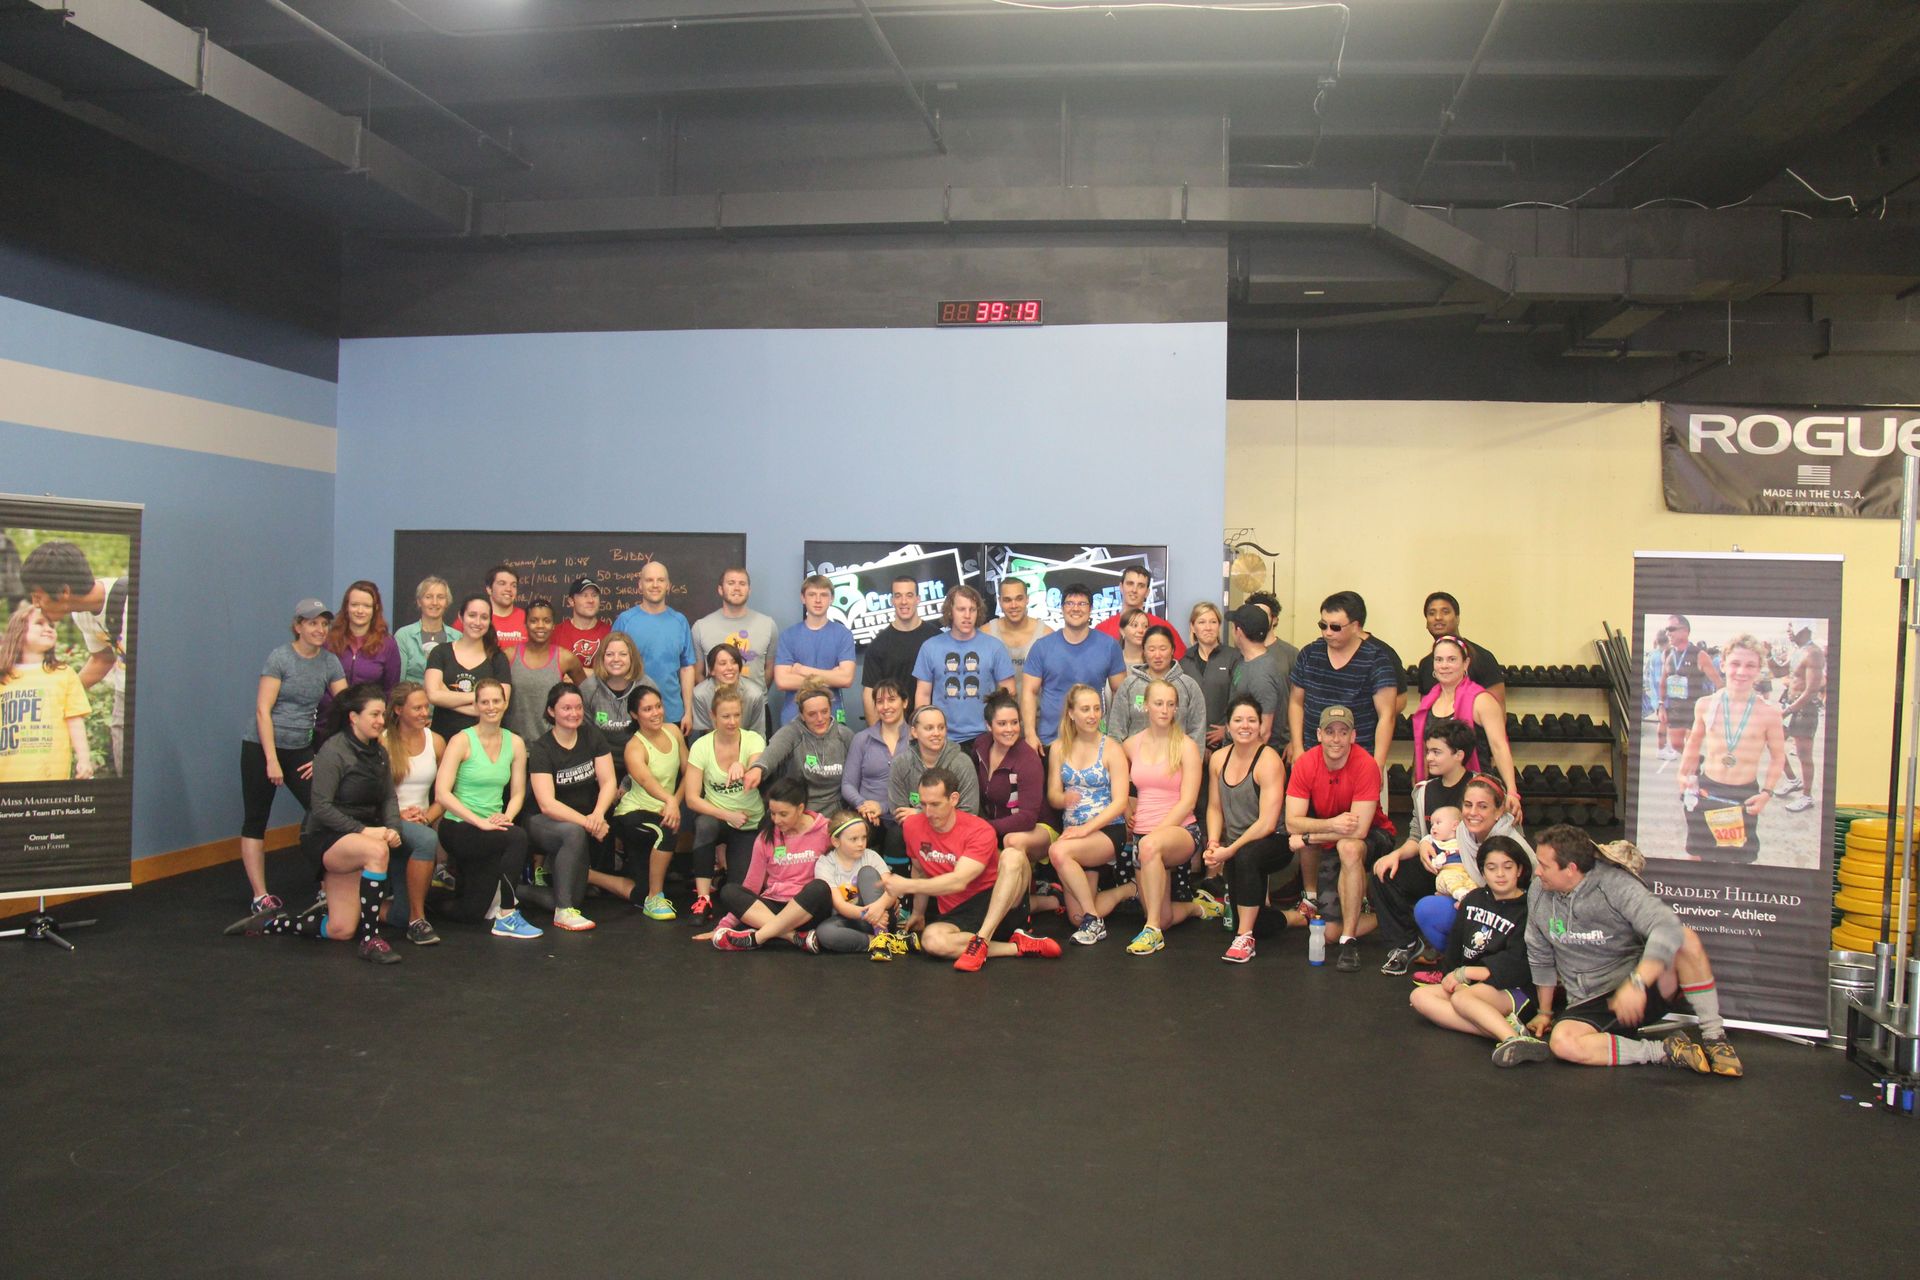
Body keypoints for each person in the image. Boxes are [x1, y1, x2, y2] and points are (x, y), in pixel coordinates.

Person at [1516, 824, 1742, 1076]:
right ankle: (1664, 1051)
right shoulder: (1539, 890)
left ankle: (1715, 1038)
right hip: (1592, 999)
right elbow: (1539, 952)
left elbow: (1667, 926)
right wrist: (1544, 1012)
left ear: (1570, 869)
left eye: (1544, 865)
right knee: (1563, 1044)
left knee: (1684, 937)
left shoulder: (1614, 884)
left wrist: (1636, 983)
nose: (1537, 872)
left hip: (1642, 986)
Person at [225, 683, 403, 964]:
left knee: (340, 929)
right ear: (354, 717)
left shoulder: (379, 753)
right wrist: (366, 831)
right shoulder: (333, 751)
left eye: (383, 715)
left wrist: (394, 827)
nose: (381, 721)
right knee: (377, 851)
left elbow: (389, 798)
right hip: (325, 836)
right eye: (375, 714)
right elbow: (320, 808)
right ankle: (371, 939)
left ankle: (273, 924)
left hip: (356, 839)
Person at [883, 767, 1061, 971]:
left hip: (998, 903)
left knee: (1013, 855)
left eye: (935, 804)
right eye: (923, 804)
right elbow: (920, 870)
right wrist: (918, 912)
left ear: (953, 799)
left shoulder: (979, 829)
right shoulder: (912, 826)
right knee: (931, 941)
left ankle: (982, 939)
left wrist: (905, 885)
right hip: (959, 913)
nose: (928, 812)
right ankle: (1016, 947)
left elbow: (960, 880)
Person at [237, 597, 347, 913]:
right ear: (298, 626)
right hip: (261, 746)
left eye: (324, 624)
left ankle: (327, 887)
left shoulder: (329, 662)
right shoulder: (280, 658)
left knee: (323, 811)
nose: (320, 629)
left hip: (301, 747)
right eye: (312, 623)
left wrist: (323, 755)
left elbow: (347, 705)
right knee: (256, 819)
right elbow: (262, 710)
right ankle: (260, 896)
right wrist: (272, 760)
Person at [1285, 704, 1396, 972]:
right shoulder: (1306, 764)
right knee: (1328, 933)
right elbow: (1292, 821)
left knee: (1348, 847)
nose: (1337, 739)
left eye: (1343, 732)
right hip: (1333, 836)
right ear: (1319, 734)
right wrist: (1330, 824)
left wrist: (1310, 836)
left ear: (1353, 736)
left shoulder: (1366, 765)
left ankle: (1350, 940)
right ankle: (1386, 917)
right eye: (1331, 732)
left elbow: (1358, 831)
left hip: (1376, 837)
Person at [1407, 836, 1537, 1059]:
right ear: (1482, 872)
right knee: (1419, 997)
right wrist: (1451, 976)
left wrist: (1464, 974)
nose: (1500, 874)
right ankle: (1504, 1030)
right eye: (1492, 867)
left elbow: (1516, 963)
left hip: (1512, 988)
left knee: (1462, 999)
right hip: (1472, 984)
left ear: (1519, 870)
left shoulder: (1527, 909)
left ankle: (1511, 1039)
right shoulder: (1474, 899)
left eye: (1508, 867)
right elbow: (1456, 946)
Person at [430, 678, 541, 938]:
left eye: (496, 701)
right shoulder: (461, 740)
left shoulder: (514, 742)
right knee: (517, 837)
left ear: (505, 704)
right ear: (476, 705)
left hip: (492, 829)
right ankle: (507, 914)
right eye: (485, 702)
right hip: (458, 826)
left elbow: (517, 793)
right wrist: (479, 822)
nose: (491, 707)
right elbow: (442, 794)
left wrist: (506, 816)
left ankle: (432, 902)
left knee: (471, 914)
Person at [1119, 679, 1222, 956]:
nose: (1164, 710)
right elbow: (1120, 784)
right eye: (1158, 703)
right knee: (1164, 916)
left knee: (1151, 847)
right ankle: (1199, 907)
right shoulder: (1130, 745)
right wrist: (1128, 811)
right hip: (1143, 835)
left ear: (1176, 708)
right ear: (1146, 707)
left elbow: (1188, 800)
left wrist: (1155, 833)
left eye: (1170, 704)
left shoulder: (1187, 746)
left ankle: (1152, 933)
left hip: (1180, 830)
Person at [1368, 719, 1475, 975]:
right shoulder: (1424, 791)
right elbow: (1416, 836)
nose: (1428, 758)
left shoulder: (1479, 788)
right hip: (1434, 868)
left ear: (1459, 755)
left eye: (1436, 752)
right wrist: (1395, 855)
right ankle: (1407, 942)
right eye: (1427, 751)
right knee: (1383, 873)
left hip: (1468, 872)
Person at [1679, 633, 1786, 863]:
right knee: (1696, 855)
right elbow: (1693, 743)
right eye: (1736, 663)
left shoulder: (1769, 712)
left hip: (1743, 796)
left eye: (1750, 665)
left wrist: (1766, 793)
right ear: (1724, 664)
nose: (1741, 671)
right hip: (1707, 790)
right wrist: (1683, 775)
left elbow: (1778, 758)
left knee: (1738, 863)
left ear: (1758, 670)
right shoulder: (1705, 705)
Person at [21, 539, 127, 771]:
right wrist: (61, 696)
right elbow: (102, 658)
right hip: (123, 698)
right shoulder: (81, 614)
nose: (35, 604)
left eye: (38, 596)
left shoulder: (134, 603)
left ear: (65, 591)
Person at [1045, 684, 1135, 945]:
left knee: (1058, 852)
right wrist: (1062, 799)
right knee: (1075, 916)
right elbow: (1052, 795)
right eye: (1085, 709)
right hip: (1075, 834)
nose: (1092, 715)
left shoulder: (1112, 749)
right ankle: (1129, 890)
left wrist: (1086, 829)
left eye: (1097, 708)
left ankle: (1094, 923)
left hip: (1107, 831)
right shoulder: (1059, 748)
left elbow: (1120, 802)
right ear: (1071, 713)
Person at [525, 683, 618, 932]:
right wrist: (588, 823)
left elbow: (608, 781)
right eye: (566, 708)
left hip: (583, 820)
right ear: (552, 711)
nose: (573, 713)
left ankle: (520, 891)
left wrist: (598, 814)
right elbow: (547, 804)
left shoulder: (591, 736)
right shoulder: (542, 748)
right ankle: (563, 913)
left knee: (576, 897)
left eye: (578, 707)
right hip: (542, 822)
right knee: (573, 832)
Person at [1203, 694, 1288, 962]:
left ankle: (1244, 939)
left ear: (1261, 725)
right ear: (1228, 726)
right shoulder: (1218, 759)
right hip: (1238, 845)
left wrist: (1229, 850)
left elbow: (1267, 823)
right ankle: (1293, 918)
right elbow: (1215, 808)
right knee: (1255, 918)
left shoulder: (1269, 760)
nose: (1245, 725)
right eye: (1238, 720)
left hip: (1275, 840)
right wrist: (1214, 843)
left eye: (1252, 720)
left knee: (1246, 856)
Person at [710, 777, 834, 951]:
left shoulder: (826, 831)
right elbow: (752, 885)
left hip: (806, 909)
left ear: (800, 809)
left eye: (783, 814)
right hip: (774, 905)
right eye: (773, 813)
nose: (776, 820)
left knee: (820, 888)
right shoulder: (765, 838)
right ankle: (793, 937)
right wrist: (722, 927)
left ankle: (759, 937)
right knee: (729, 892)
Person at [1287, 591, 1401, 779]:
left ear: (1356, 626)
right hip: (1313, 757)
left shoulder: (1376, 660)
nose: (1327, 632)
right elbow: (1296, 703)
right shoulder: (1309, 654)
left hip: (1359, 761)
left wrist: (1377, 764)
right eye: (1323, 625)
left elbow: (1386, 715)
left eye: (1335, 627)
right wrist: (1298, 747)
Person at [1410, 634, 1520, 816]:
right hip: (1439, 790)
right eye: (1439, 660)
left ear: (1466, 663)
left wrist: (1512, 791)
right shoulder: (1428, 702)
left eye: (1451, 659)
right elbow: (1423, 747)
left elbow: (1500, 747)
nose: (1444, 665)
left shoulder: (1482, 700)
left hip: (1476, 791)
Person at [683, 684, 766, 919]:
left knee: (737, 892)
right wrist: (728, 815)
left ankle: (723, 879)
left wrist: (745, 766)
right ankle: (703, 899)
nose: (732, 721)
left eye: (737, 715)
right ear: (713, 716)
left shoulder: (752, 739)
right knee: (704, 825)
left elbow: (758, 765)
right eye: (725, 716)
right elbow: (691, 799)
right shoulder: (701, 746)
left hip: (748, 823)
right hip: (720, 819)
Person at [610, 684, 687, 920]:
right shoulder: (634, 747)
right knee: (668, 830)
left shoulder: (673, 731)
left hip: (663, 809)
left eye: (658, 706)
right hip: (633, 813)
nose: (655, 713)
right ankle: (655, 898)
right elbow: (646, 781)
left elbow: (690, 773)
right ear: (635, 715)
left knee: (639, 891)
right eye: (647, 709)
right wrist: (669, 801)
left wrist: (673, 802)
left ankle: (588, 875)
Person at [1020, 582, 1126, 750]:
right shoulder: (1042, 647)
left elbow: (1120, 693)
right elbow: (1029, 692)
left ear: (1090, 608)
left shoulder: (1109, 646)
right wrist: (1030, 734)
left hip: (1095, 742)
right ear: (1062, 609)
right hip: (1050, 741)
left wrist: (1115, 735)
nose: (1075, 608)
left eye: (1082, 604)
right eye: (1070, 603)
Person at [380, 681, 444, 945]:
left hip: (421, 823)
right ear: (397, 710)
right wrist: (397, 816)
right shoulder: (382, 741)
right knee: (427, 840)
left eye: (426, 707)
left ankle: (363, 906)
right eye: (416, 708)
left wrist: (428, 816)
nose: (424, 713)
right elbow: (373, 796)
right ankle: (418, 921)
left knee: (399, 914)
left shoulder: (436, 741)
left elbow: (445, 794)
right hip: (390, 822)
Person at [912, 584, 1014, 746]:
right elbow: (923, 695)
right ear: (950, 611)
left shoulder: (994, 647)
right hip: (941, 737)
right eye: (961, 609)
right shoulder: (930, 647)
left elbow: (1008, 694)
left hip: (985, 736)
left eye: (972, 609)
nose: (967, 615)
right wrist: (925, 732)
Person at [0, 604, 92, 782]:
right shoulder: (3, 677)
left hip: (50, 776)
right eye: (39, 623)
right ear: (18, 632)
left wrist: (84, 759)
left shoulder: (64, 673)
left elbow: (74, 720)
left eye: (51, 625)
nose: (48, 629)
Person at [611, 561, 698, 736]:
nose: (655, 585)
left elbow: (687, 668)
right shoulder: (625, 621)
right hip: (632, 714)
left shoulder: (679, 621)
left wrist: (688, 711)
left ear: (668, 586)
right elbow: (611, 666)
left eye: (660, 580)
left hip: (672, 713)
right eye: (649, 580)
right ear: (640, 585)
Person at [746, 680, 857, 816]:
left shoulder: (845, 735)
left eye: (824, 712)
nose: (820, 718)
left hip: (836, 809)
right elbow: (772, 753)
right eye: (812, 714)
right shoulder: (792, 732)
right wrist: (758, 768)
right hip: (800, 808)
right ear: (802, 715)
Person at [968, 689, 1050, 868]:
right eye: (1002, 723)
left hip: (1038, 827)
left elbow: (1028, 818)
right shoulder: (981, 746)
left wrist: (987, 827)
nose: (1010, 729)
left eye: (1014, 723)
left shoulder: (1028, 760)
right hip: (995, 826)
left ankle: (1025, 895)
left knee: (1012, 842)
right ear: (989, 726)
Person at [810, 812, 901, 957]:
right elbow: (839, 905)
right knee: (824, 932)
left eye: (864, 838)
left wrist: (878, 908)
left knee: (867, 873)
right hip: (853, 918)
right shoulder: (826, 863)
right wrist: (867, 914)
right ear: (836, 841)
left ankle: (882, 936)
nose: (861, 843)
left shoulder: (871, 856)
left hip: (882, 918)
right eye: (853, 839)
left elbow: (892, 889)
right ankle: (878, 942)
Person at [424, 593, 512, 739]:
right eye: (472, 615)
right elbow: (433, 695)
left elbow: (501, 705)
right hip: (442, 739)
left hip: (484, 743)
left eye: (484, 617)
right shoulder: (440, 652)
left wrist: (447, 698)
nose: (477, 622)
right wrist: (480, 699)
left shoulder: (498, 658)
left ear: (490, 621)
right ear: (461, 617)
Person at [773, 574, 856, 724]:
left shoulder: (843, 635)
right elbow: (782, 681)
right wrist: (831, 676)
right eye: (812, 595)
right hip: (794, 718)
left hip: (831, 716)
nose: (818, 600)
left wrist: (802, 670)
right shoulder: (788, 636)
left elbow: (846, 679)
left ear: (831, 599)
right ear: (803, 598)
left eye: (823, 595)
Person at [318, 580, 400, 731]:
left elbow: (391, 690)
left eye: (366, 606)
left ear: (375, 609)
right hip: (327, 724)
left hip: (368, 727)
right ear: (346, 607)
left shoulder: (388, 644)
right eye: (354, 605)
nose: (360, 611)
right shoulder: (328, 640)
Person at [1107, 624, 1206, 743]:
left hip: (1177, 758)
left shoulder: (1189, 686)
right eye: (1152, 649)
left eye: (1163, 649)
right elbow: (1116, 731)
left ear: (1172, 650)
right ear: (1143, 651)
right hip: (1135, 758)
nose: (1157, 655)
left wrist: (1191, 759)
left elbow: (1197, 731)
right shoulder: (1129, 685)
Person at [504, 598, 583, 745]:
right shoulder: (508, 656)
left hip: (553, 746)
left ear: (553, 625)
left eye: (546, 621)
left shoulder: (566, 658)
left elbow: (588, 694)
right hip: (513, 745)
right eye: (534, 620)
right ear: (525, 624)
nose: (540, 626)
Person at [842, 676, 911, 842]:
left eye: (892, 700)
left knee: (899, 837)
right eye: (880, 701)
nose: (885, 706)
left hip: (904, 817)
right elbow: (847, 784)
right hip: (868, 818)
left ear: (905, 702)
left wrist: (883, 807)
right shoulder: (861, 739)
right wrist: (863, 806)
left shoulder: (916, 740)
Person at [862, 573, 934, 723]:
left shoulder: (936, 639)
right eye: (898, 596)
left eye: (909, 595)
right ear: (892, 600)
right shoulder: (878, 645)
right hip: (893, 730)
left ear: (918, 599)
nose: (903, 601)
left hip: (931, 728)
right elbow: (870, 693)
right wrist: (877, 737)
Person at [577, 631, 655, 771]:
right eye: (609, 654)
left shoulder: (646, 686)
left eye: (623, 654)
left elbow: (653, 733)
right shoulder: (588, 688)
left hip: (641, 762)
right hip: (600, 762)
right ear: (602, 658)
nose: (616, 659)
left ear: (632, 658)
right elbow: (583, 735)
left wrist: (630, 780)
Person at [1770, 620, 1826, 812]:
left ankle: (1807, 796)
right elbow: (1779, 672)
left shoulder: (1814, 653)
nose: (1788, 630)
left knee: (1804, 755)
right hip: (1790, 706)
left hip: (1804, 709)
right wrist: (1768, 654)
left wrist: (1787, 710)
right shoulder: (1798, 651)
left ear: (1804, 628)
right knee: (1773, 743)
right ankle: (1793, 780)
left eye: (1792, 626)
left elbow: (1811, 690)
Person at [1227, 601, 1298, 753]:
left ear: (1238, 631)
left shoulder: (1262, 673)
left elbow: (1264, 732)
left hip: (1257, 758)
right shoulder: (1245, 661)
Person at [887, 705, 981, 818]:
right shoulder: (900, 764)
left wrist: (919, 813)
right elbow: (899, 813)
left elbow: (969, 811)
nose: (936, 733)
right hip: (914, 829)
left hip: (955, 831)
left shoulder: (962, 763)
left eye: (941, 727)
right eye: (929, 728)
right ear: (914, 732)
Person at [692, 566, 777, 684]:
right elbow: (697, 672)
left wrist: (757, 697)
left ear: (749, 590)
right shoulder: (701, 627)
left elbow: (770, 668)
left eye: (742, 584)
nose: (737, 588)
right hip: (715, 702)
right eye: (731, 583)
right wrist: (712, 698)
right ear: (720, 589)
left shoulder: (768, 625)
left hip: (756, 702)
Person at [1414, 592, 1506, 702]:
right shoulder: (1426, 664)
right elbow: (1424, 712)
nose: (1438, 617)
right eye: (1432, 613)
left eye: (1445, 612)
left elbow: (1498, 712)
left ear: (1457, 619)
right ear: (1427, 623)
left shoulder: (1482, 658)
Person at [1656, 614, 1721, 761]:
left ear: (1685, 631)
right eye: (1666, 630)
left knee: (1691, 746)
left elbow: (1718, 682)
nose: (1668, 633)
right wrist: (1661, 705)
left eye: (1671, 629)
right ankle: (1696, 760)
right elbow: (1663, 681)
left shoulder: (1699, 655)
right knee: (1676, 745)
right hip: (1676, 707)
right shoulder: (1667, 653)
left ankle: (1694, 772)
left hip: (1695, 708)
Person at [1181, 601, 1239, 750]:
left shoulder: (1234, 657)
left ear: (1219, 626)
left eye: (1213, 622)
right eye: (1202, 622)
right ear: (1193, 627)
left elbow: (1240, 698)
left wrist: (1227, 730)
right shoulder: (1183, 662)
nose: (1208, 627)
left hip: (1226, 743)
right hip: (1191, 742)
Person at [1093, 565, 1186, 658]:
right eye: (1130, 584)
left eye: (1141, 586)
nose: (1134, 590)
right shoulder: (1102, 629)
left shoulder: (1163, 627)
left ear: (1147, 592)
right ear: (1121, 587)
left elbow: (1182, 663)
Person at [983, 575, 1053, 684]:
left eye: (1019, 598)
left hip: (1036, 701)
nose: (1014, 605)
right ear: (999, 601)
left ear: (1027, 599)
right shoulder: (985, 634)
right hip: (997, 701)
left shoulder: (1046, 635)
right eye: (1007, 600)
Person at [690, 642, 768, 737]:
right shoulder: (700, 694)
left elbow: (758, 734)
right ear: (711, 670)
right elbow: (706, 736)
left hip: (747, 744)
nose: (730, 667)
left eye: (734, 662)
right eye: (723, 663)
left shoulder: (754, 694)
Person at [394, 575, 453, 685]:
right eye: (428, 597)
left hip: (446, 700)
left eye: (440, 597)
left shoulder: (457, 637)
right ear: (419, 602)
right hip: (411, 700)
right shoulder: (403, 636)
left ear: (447, 602)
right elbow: (398, 681)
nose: (435, 602)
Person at [551, 576, 612, 668]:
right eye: (584, 595)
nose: (591, 600)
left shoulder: (610, 633)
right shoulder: (556, 633)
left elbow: (615, 672)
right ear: (571, 601)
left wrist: (580, 674)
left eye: (594, 595)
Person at [483, 564, 527, 652]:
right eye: (502, 583)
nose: (509, 589)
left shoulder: (528, 618)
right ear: (489, 589)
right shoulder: (474, 619)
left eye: (513, 585)